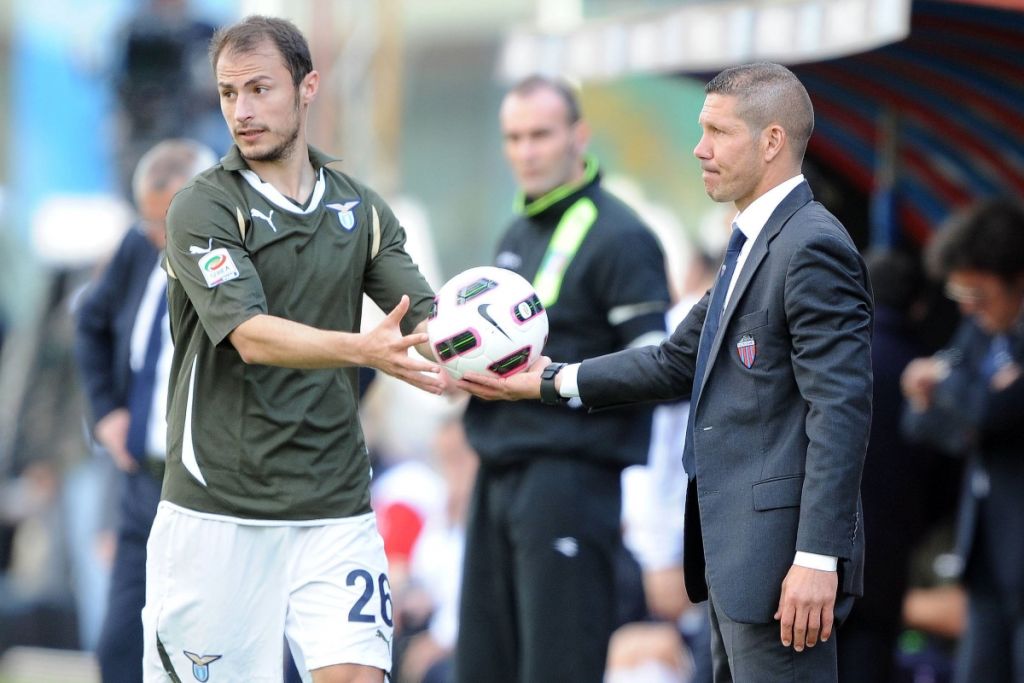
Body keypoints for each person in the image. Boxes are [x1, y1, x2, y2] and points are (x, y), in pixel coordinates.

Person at [460, 62, 873, 682]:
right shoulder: (753, 242)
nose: (698, 148)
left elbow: (839, 411)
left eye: (717, 132)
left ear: (771, 143)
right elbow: (674, 361)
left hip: (784, 569)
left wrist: (818, 556)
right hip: (734, 564)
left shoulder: (810, 245)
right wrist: (547, 381)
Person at [143, 16, 444, 683]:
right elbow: (250, 334)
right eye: (228, 94)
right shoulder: (203, 207)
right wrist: (364, 350)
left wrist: (504, 352)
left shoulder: (361, 210)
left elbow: (426, 316)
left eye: (259, 88)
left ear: (308, 88)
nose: (242, 111)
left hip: (334, 506)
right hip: (218, 510)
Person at [454, 75, 672, 683]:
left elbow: (656, 364)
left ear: (579, 135)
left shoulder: (623, 236)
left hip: (570, 481)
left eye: (540, 135)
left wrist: (556, 381)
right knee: (482, 667)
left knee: (556, 668)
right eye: (513, 137)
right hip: (496, 475)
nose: (525, 151)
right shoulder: (516, 232)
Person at [74, 138, 216, 682]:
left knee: (201, 654)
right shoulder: (139, 247)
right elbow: (89, 320)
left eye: (167, 223)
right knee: (118, 647)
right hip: (142, 486)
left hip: (208, 490)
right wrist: (107, 410)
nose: (158, 236)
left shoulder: (238, 257)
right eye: (149, 222)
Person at [901, 197, 1024, 683]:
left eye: (980, 294)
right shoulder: (980, 334)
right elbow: (922, 423)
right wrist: (967, 397)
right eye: (960, 297)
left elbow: (995, 411)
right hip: (988, 551)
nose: (970, 309)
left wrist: (951, 389)